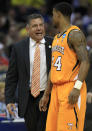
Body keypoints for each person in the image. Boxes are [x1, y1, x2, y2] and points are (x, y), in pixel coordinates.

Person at [39, 2, 90, 131]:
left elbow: (85, 62)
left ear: (58, 14)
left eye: (53, 15)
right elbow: (53, 69)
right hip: (56, 89)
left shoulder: (75, 34)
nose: (52, 18)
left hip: (70, 88)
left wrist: (77, 87)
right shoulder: (56, 38)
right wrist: (46, 94)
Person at [5, 13, 53, 131]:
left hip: (48, 96)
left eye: (41, 25)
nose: (39, 28)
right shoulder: (18, 47)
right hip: (27, 98)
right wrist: (9, 100)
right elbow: (12, 76)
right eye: (35, 26)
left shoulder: (54, 44)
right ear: (27, 29)